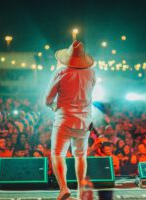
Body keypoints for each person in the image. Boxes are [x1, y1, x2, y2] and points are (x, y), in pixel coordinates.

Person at [45, 41, 95, 200]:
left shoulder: (60, 72)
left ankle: (64, 189)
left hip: (64, 120)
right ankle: (81, 191)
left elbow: (47, 99)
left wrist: (54, 107)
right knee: (81, 155)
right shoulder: (91, 73)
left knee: (58, 154)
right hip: (85, 121)